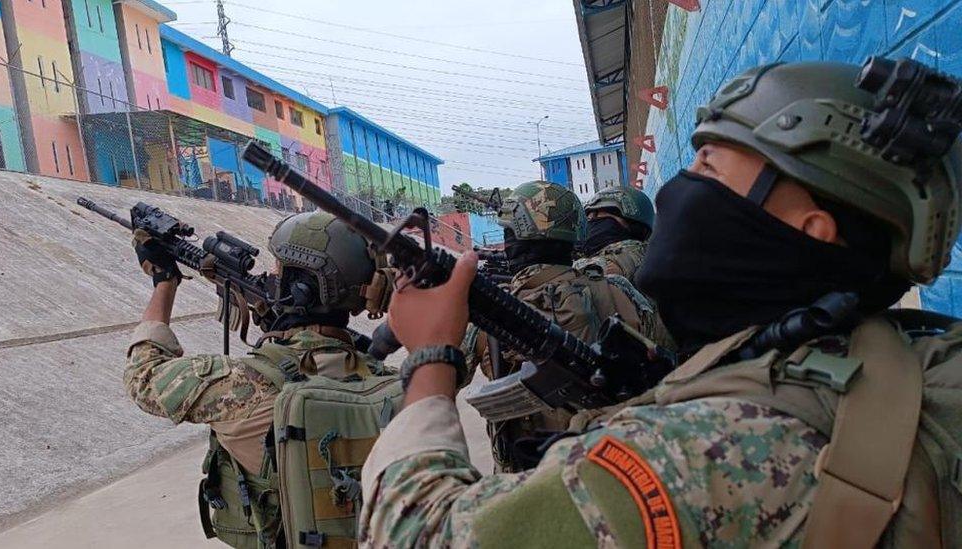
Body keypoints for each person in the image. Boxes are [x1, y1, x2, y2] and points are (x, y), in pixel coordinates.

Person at [358, 60, 962, 546]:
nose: (682, 189)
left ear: (811, 227)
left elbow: (414, 530)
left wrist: (431, 359)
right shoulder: (922, 355)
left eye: (708, 166)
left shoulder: (700, 449)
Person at [124, 211, 386, 546]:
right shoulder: (391, 382)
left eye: (278, 270)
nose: (272, 277)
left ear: (300, 289)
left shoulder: (243, 386)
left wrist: (164, 282)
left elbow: (143, 375)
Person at [462, 180, 662, 472]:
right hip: (619, 464)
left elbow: (435, 379)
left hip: (527, 483)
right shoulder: (619, 292)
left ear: (515, 236)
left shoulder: (492, 311)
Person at [575, 185, 673, 347]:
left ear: (629, 221)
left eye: (598, 213)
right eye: (589, 215)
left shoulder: (633, 252)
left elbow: (596, 273)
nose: (591, 220)